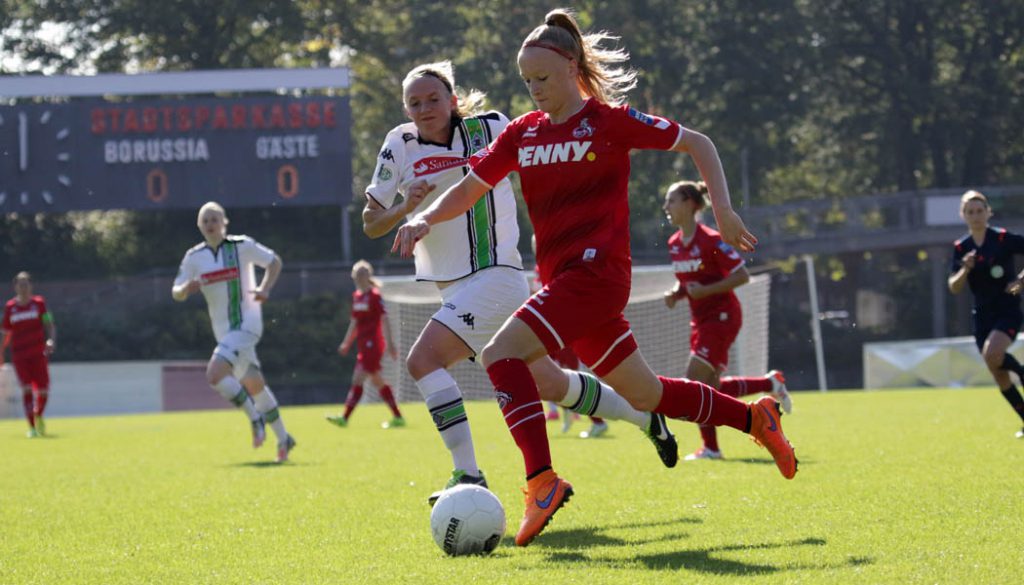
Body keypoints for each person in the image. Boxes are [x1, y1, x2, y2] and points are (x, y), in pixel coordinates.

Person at [394, 10, 797, 547]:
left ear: (571, 68)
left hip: (598, 276)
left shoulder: (609, 122)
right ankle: (756, 420)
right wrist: (422, 218)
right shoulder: (522, 133)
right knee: (646, 393)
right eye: (526, 81)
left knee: (499, 355)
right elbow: (469, 189)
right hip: (562, 282)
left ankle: (541, 479)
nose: (534, 90)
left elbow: (698, 143)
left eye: (542, 78)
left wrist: (721, 210)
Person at [363, 60, 678, 506]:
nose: (424, 108)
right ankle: (646, 419)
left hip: (497, 278)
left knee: (424, 361)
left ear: (453, 100)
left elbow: (550, 143)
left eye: (434, 98)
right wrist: (405, 210)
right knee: (551, 383)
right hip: (452, 289)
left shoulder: (492, 127)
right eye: (414, 102)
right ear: (404, 108)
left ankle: (468, 475)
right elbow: (371, 223)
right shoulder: (398, 143)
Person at [662, 180, 793, 460]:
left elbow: (741, 276)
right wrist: (677, 293)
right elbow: (690, 282)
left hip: (722, 318)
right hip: (699, 321)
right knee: (714, 388)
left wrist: (705, 291)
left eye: (671, 200)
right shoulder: (674, 244)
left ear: (690, 204)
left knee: (693, 382)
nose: (666, 207)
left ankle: (713, 446)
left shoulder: (711, 239)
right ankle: (769, 384)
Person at [172, 201, 296, 463]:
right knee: (255, 385)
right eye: (205, 220)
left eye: (215, 219)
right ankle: (285, 438)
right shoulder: (194, 257)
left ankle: (254, 418)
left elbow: (274, 262)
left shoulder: (241, 246)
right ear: (199, 226)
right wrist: (184, 290)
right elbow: (176, 290)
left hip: (247, 325)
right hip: (224, 332)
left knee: (214, 374)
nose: (210, 224)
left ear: (224, 222)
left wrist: (265, 289)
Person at [949, 190, 1024, 438]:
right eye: (970, 212)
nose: (975, 215)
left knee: (993, 353)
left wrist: (1021, 281)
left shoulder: (1002, 238)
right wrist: (966, 268)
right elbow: (954, 286)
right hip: (982, 315)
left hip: (1008, 310)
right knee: (998, 373)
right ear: (963, 216)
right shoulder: (962, 247)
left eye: (979, 210)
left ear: (988, 212)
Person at [327, 260, 405, 428]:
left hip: (374, 344)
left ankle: (344, 418)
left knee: (358, 379)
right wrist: (346, 343)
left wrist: (390, 343)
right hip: (362, 344)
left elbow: (384, 320)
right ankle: (398, 417)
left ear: (368, 275)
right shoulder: (357, 297)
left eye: (362, 273)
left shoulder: (375, 296)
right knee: (378, 381)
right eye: (357, 273)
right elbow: (355, 322)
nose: (359, 277)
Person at [2, 272, 56, 438]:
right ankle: (32, 427)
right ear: (15, 287)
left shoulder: (39, 303)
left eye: (26, 284)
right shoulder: (10, 307)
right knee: (26, 388)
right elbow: (5, 332)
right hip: (19, 355)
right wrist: (1, 350)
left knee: (43, 391)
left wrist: (51, 340)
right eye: (20, 284)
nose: (23, 287)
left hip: (38, 354)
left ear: (31, 286)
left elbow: (50, 324)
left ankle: (38, 414)